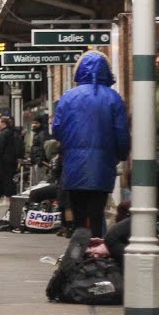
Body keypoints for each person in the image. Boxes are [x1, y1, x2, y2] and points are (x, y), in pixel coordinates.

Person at [51, 50, 131, 238]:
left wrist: (69, 145)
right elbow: (121, 133)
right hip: (103, 165)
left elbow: (57, 129)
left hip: (74, 165)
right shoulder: (114, 98)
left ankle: (79, 253)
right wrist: (121, 155)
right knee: (96, 213)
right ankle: (97, 253)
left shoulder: (68, 97)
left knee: (79, 215)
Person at [103, 127, 159, 271]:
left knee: (112, 238)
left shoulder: (157, 145)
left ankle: (142, 273)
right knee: (117, 233)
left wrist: (138, 177)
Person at [0, 115, 24, 204]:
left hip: (4, 160)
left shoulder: (3, 134)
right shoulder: (12, 132)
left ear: (3, 123)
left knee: (6, 179)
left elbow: (0, 148)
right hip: (11, 159)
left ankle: (7, 198)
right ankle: (10, 198)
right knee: (10, 179)